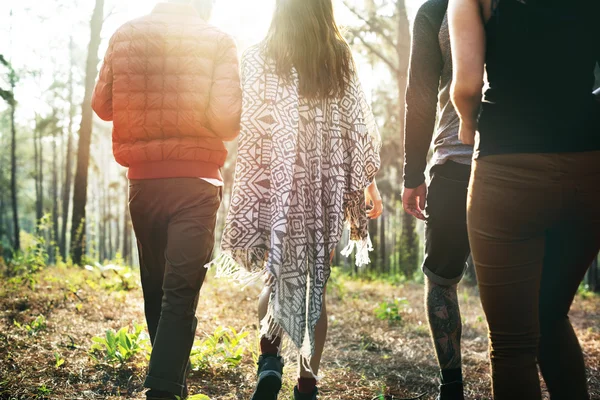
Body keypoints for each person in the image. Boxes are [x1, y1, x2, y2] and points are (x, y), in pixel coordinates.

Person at [209, 1, 382, 399]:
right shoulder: (339, 59)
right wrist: (366, 185)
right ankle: (308, 383)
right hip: (325, 185)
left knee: (276, 273)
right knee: (314, 283)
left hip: (277, 186)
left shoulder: (257, 55)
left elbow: (249, 127)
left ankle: (269, 360)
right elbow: (359, 127)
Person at [448, 0, 600, 398]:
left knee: (513, 344)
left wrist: (468, 125)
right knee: (549, 315)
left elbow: (466, 86)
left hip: (507, 171)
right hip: (590, 170)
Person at [91, 0, 242, 399]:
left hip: (144, 183)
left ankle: (168, 383)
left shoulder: (125, 34)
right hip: (196, 183)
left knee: (156, 286)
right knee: (180, 290)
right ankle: (164, 388)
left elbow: (102, 106)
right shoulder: (218, 40)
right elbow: (227, 121)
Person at [402, 0, 473, 399]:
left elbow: (421, 93)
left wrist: (413, 175)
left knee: (442, 280)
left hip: (455, 161)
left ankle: (452, 386)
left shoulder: (436, 9)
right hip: (517, 156)